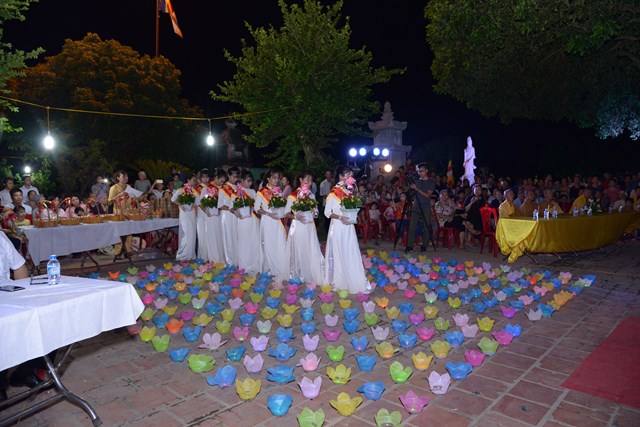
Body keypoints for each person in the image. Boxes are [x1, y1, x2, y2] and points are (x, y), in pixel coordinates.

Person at [323, 165, 370, 294]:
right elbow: (327, 213)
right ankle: (340, 280)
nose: (350, 178)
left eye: (351, 176)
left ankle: (351, 277)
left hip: (349, 226)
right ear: (340, 176)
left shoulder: (349, 192)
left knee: (350, 251)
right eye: (347, 175)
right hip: (338, 226)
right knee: (340, 252)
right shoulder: (334, 193)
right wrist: (340, 217)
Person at [0, 231, 31, 401]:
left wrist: (24, 298)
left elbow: (19, 269)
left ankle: (25, 372)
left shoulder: (1, 237)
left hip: (8, 298)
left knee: (48, 316)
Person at [284, 171, 325, 284]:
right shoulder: (293, 196)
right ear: (300, 180)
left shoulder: (311, 195)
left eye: (311, 181)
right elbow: (285, 213)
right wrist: (296, 216)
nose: (309, 183)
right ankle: (298, 272)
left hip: (309, 226)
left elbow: (315, 211)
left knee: (310, 248)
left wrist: (314, 212)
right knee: (299, 248)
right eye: (307, 180)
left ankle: (310, 271)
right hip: (298, 226)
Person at [256, 168, 288, 282]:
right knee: (269, 242)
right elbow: (256, 208)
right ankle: (269, 267)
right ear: (268, 179)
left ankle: (280, 265)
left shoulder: (278, 191)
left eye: (277, 178)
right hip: (268, 220)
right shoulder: (261, 192)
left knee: (279, 242)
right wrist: (269, 214)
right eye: (274, 178)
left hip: (277, 220)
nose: (276, 180)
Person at [406, 162, 436, 252]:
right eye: (419, 171)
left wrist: (417, 189)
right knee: (412, 226)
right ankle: (409, 245)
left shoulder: (431, 181)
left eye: (422, 171)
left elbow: (428, 195)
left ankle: (424, 245)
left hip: (426, 207)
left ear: (426, 171)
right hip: (416, 207)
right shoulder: (417, 181)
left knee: (426, 227)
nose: (420, 173)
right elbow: (411, 192)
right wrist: (410, 187)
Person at [236, 170, 261, 275]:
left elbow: (256, 205)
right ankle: (244, 264)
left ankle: (254, 263)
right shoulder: (237, 191)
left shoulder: (253, 191)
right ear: (242, 180)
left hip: (253, 218)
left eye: (251, 181)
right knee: (244, 241)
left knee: (254, 240)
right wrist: (238, 213)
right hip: (243, 219)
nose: (250, 183)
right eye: (248, 181)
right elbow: (232, 207)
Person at [171, 173, 197, 261]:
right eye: (193, 180)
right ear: (188, 180)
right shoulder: (181, 189)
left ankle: (190, 254)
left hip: (191, 213)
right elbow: (173, 199)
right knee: (186, 233)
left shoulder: (193, 191)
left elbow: (197, 202)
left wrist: (193, 204)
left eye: (195, 181)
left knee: (192, 233)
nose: (194, 182)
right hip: (184, 213)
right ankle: (182, 254)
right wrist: (181, 204)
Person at [218, 166, 241, 266]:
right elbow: (220, 205)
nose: (235, 179)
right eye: (233, 177)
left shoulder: (238, 188)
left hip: (236, 215)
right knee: (228, 237)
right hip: (227, 215)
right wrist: (231, 209)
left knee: (236, 236)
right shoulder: (223, 189)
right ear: (228, 175)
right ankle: (229, 260)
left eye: (237, 177)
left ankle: (237, 259)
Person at [203, 168, 226, 264]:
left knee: (221, 237)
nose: (222, 183)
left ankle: (221, 258)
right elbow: (202, 202)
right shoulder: (208, 188)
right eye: (221, 180)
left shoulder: (224, 189)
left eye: (223, 181)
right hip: (211, 216)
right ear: (216, 178)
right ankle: (214, 259)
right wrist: (206, 211)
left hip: (221, 216)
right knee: (213, 237)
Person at [195, 169, 210, 260]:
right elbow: (198, 202)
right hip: (201, 212)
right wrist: (206, 211)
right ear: (200, 178)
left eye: (207, 177)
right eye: (203, 177)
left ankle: (208, 254)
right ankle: (202, 256)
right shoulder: (198, 189)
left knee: (208, 234)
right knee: (202, 234)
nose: (206, 179)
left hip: (209, 211)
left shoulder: (210, 187)